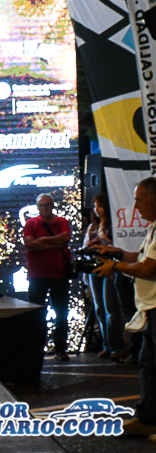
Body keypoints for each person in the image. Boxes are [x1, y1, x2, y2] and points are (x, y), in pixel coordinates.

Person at [92, 177, 156, 438]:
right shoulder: (153, 229)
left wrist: (116, 266)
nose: (136, 206)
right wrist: (116, 254)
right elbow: (139, 259)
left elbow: (148, 268)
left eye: (140, 200)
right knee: (149, 365)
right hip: (150, 307)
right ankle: (147, 418)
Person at [23, 193, 71, 361]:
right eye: (42, 205)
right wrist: (55, 242)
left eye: (48, 205)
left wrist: (41, 241)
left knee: (62, 314)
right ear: (37, 207)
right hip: (38, 276)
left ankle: (60, 349)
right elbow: (29, 244)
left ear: (53, 205)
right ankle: (36, 348)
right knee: (36, 314)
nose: (45, 208)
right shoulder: (31, 223)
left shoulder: (62, 221)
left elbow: (66, 238)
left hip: (59, 274)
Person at [84, 193, 126, 360]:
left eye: (99, 206)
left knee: (111, 307)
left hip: (109, 267)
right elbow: (85, 246)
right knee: (99, 308)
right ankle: (106, 345)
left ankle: (117, 346)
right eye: (95, 207)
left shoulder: (114, 225)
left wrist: (105, 241)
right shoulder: (92, 227)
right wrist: (90, 246)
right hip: (95, 268)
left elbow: (118, 247)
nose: (97, 210)